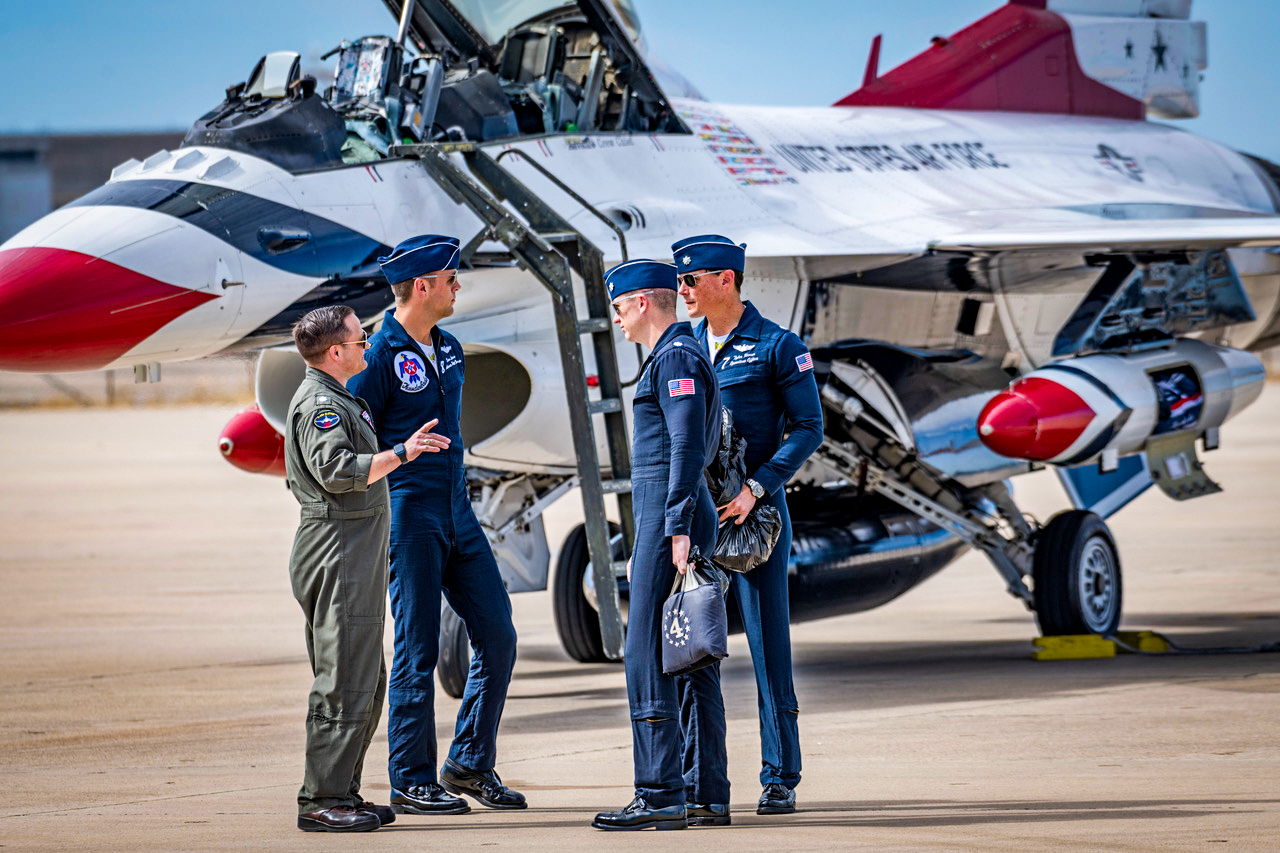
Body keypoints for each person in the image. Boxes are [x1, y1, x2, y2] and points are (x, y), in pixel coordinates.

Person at [348, 235, 525, 817]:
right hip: (410, 513)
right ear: (422, 286)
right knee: (416, 649)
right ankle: (412, 777)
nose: (458, 286)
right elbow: (351, 435)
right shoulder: (377, 355)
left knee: (498, 635)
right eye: (451, 278)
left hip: (457, 510)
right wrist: (397, 456)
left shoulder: (448, 347)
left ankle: (470, 763)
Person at [673, 234, 824, 816]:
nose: (682, 292)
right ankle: (696, 776)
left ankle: (780, 773)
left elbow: (809, 427)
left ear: (727, 281)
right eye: (680, 282)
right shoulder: (682, 344)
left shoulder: (777, 345)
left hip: (755, 518)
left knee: (768, 647)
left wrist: (757, 486)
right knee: (692, 648)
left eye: (692, 281)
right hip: (697, 517)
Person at [285, 305, 448, 833]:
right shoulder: (320, 406)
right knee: (343, 681)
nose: (367, 345)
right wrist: (403, 452)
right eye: (360, 340)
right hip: (337, 552)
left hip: (352, 552)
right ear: (336, 352)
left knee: (364, 678)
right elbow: (338, 472)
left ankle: (343, 791)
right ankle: (321, 800)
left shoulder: (340, 396)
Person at [592, 260, 730, 831]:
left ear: (644, 303)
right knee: (691, 654)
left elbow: (683, 446)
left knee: (647, 649)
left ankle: (657, 792)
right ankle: (704, 792)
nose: (618, 321)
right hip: (676, 509)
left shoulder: (674, 357)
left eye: (621, 309)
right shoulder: (680, 354)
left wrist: (674, 526)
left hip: (667, 512)